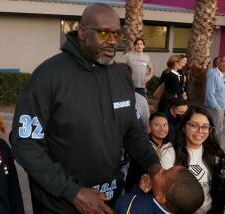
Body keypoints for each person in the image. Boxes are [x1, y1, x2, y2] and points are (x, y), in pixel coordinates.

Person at [11, 3, 162, 213]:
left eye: (116, 35)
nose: (112, 41)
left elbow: (132, 131)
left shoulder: (121, 78)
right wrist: (72, 192)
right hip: (59, 205)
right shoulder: (48, 76)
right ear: (82, 32)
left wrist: (155, 168)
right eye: (103, 33)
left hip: (109, 200)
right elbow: (25, 143)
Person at [159, 105, 225, 213]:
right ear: (184, 127)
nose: (200, 131)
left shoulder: (213, 151)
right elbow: (164, 190)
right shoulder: (169, 152)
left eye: (205, 127)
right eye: (194, 125)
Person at [115, 166, 204, 214]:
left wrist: (138, 191)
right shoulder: (184, 208)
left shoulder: (127, 203)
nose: (161, 169)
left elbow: (126, 204)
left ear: (161, 197)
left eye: (164, 172)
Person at [124, 112, 169, 192]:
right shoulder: (141, 146)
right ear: (149, 127)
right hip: (138, 189)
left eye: (165, 125)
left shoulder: (169, 146)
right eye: (157, 125)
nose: (162, 128)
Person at [204, 54, 225, 144]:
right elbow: (209, 93)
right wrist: (217, 108)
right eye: (224, 62)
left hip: (221, 107)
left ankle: (216, 149)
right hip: (213, 108)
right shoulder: (213, 74)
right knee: (214, 129)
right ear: (219, 62)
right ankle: (214, 149)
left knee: (219, 129)